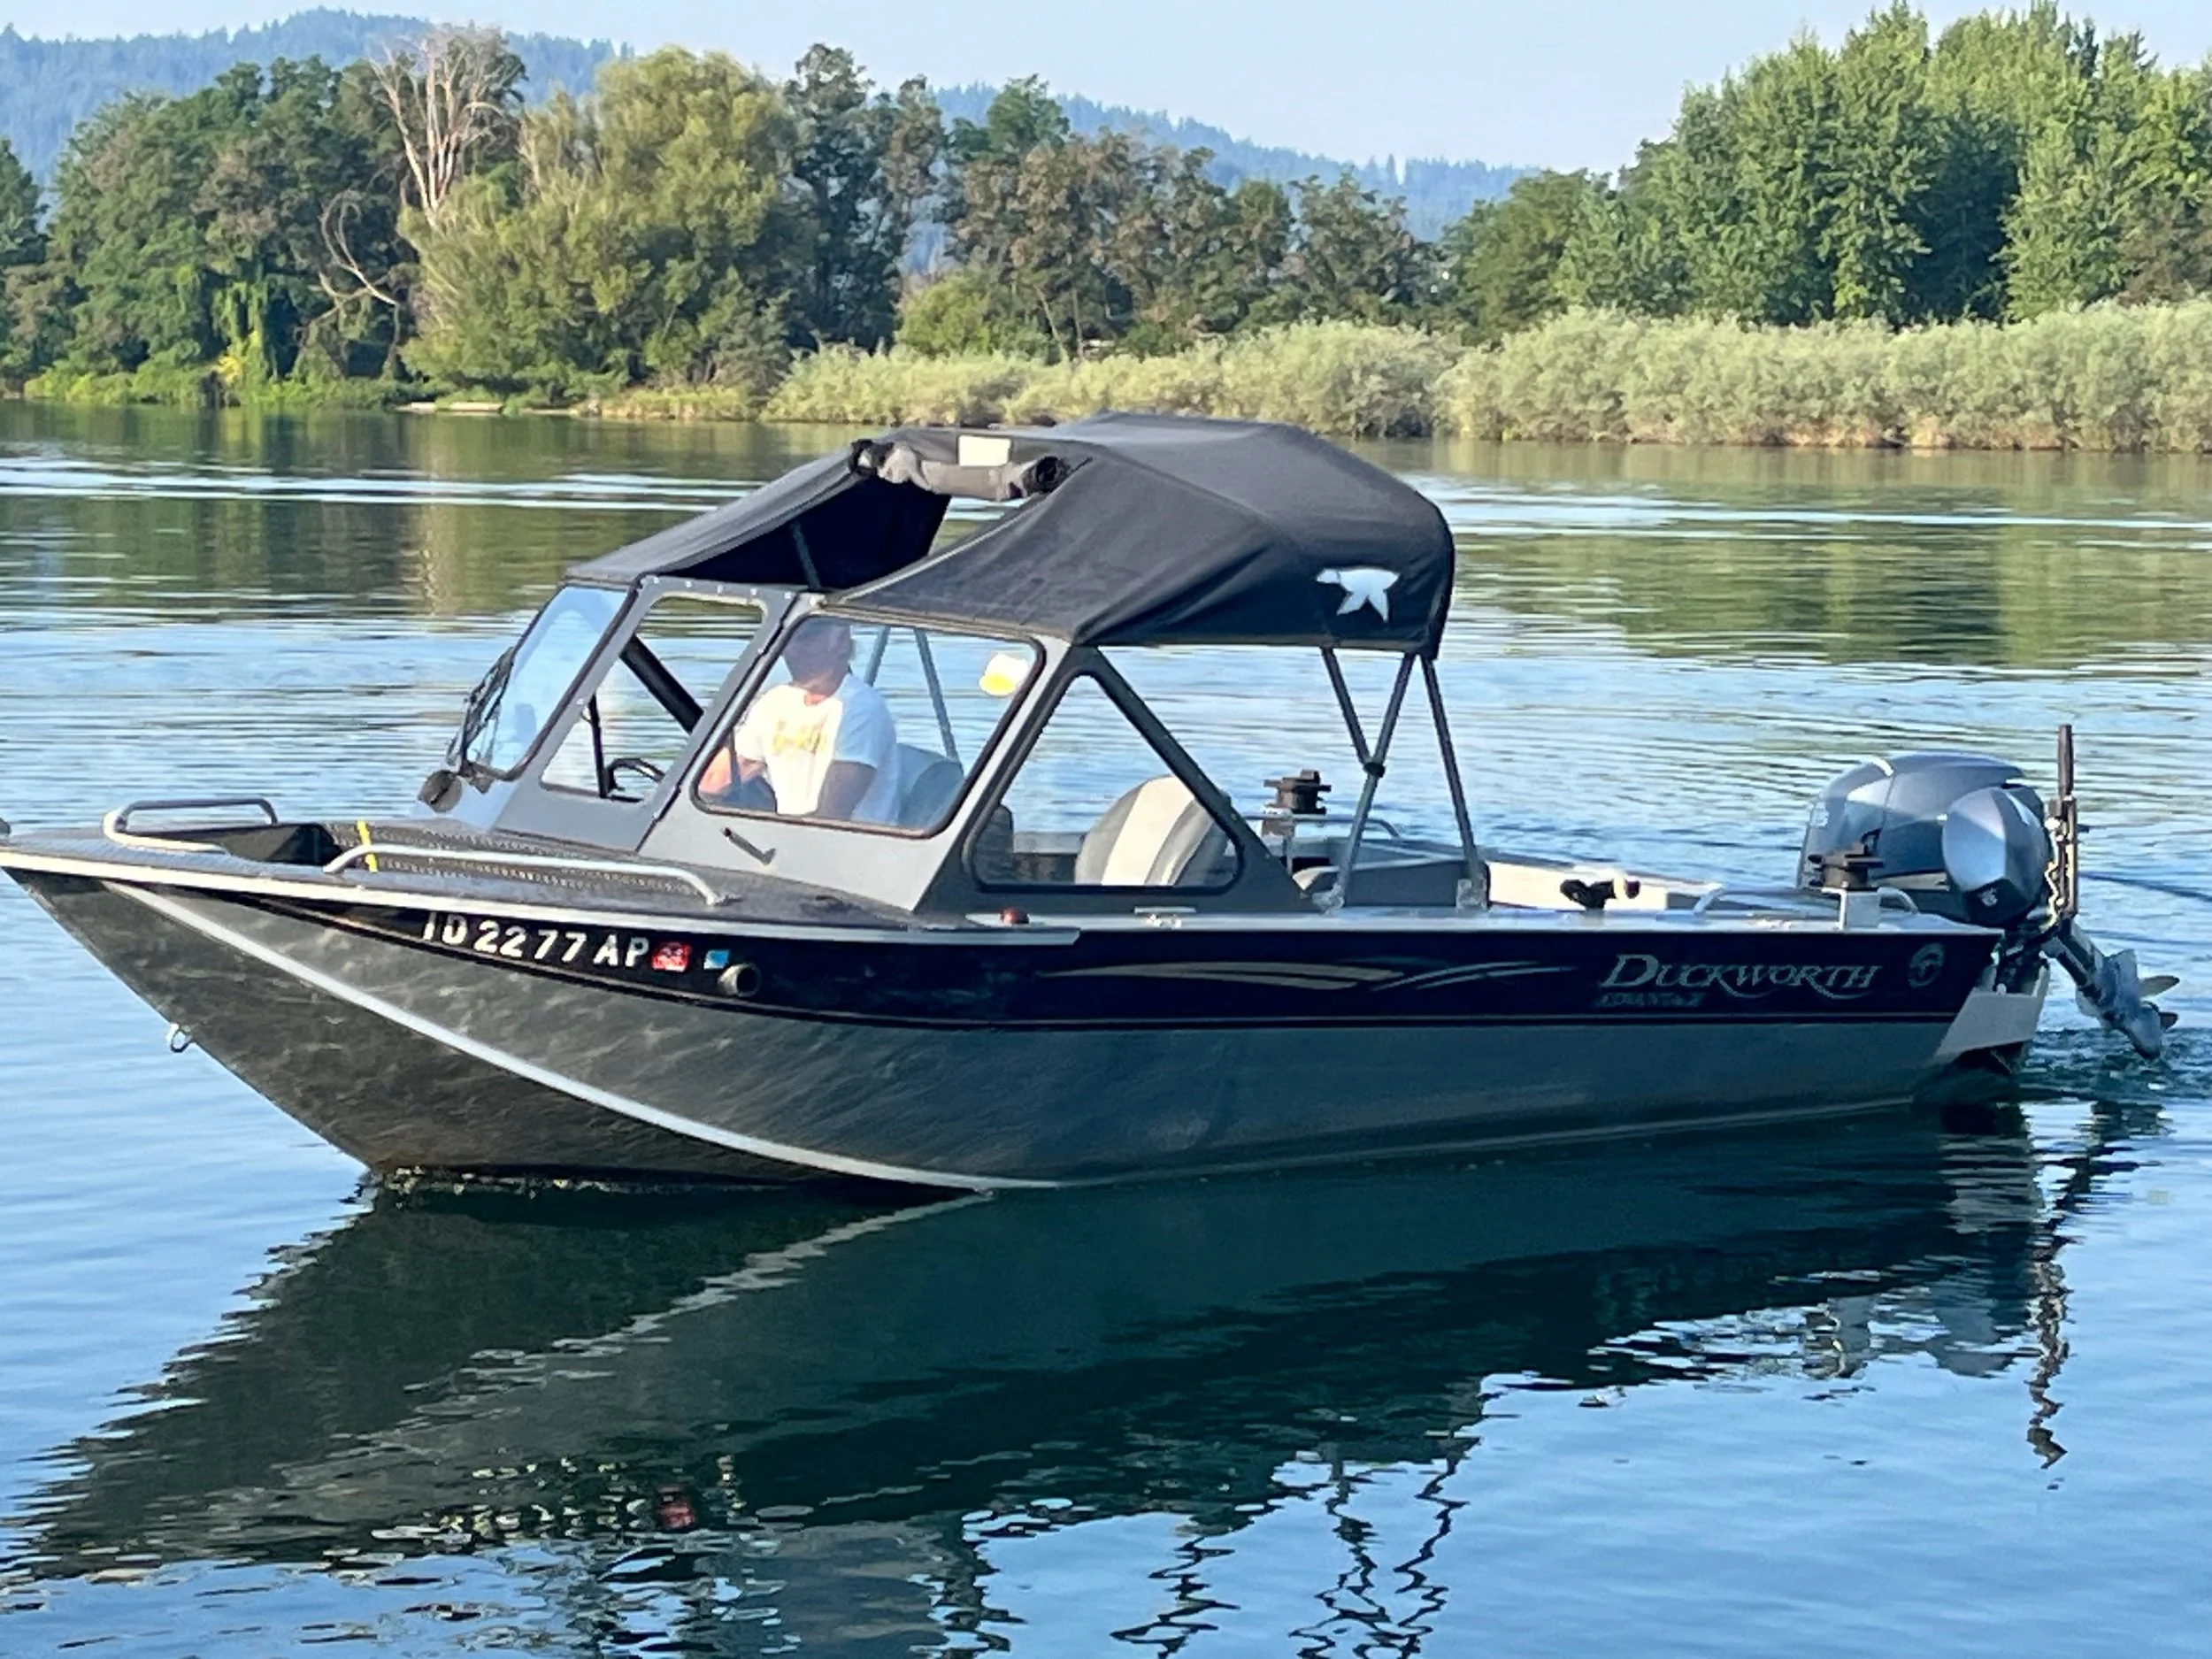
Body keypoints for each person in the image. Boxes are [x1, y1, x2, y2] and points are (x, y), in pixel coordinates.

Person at [698, 617, 900, 823]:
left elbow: (832, 816)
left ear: (840, 641)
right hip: (791, 837)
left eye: (806, 639)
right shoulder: (775, 702)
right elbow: (714, 780)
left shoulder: (862, 708)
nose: (791, 651)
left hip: (850, 845)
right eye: (789, 639)